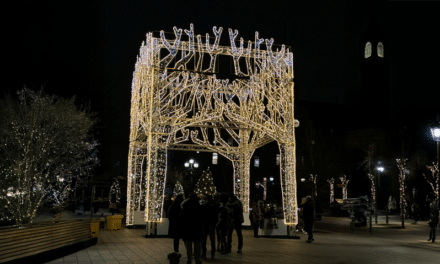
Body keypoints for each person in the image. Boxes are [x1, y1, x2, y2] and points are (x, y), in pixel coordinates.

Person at [200, 195, 219, 259]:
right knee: (212, 239)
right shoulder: (215, 206)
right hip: (212, 224)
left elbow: (202, 214)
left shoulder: (204, 206)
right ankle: (212, 253)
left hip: (205, 223)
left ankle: (204, 253)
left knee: (204, 239)